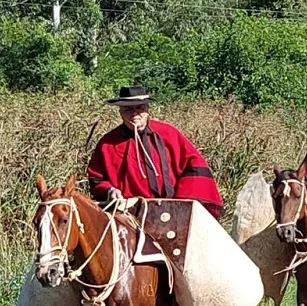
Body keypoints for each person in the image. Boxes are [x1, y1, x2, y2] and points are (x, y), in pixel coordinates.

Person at [87, 86, 223, 219]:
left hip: (171, 212)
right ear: (120, 111)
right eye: (128, 109)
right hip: (126, 215)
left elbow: (194, 166)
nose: (134, 113)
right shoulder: (107, 143)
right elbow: (97, 179)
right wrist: (109, 191)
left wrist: (180, 205)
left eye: (139, 107)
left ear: (147, 108)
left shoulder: (169, 134)